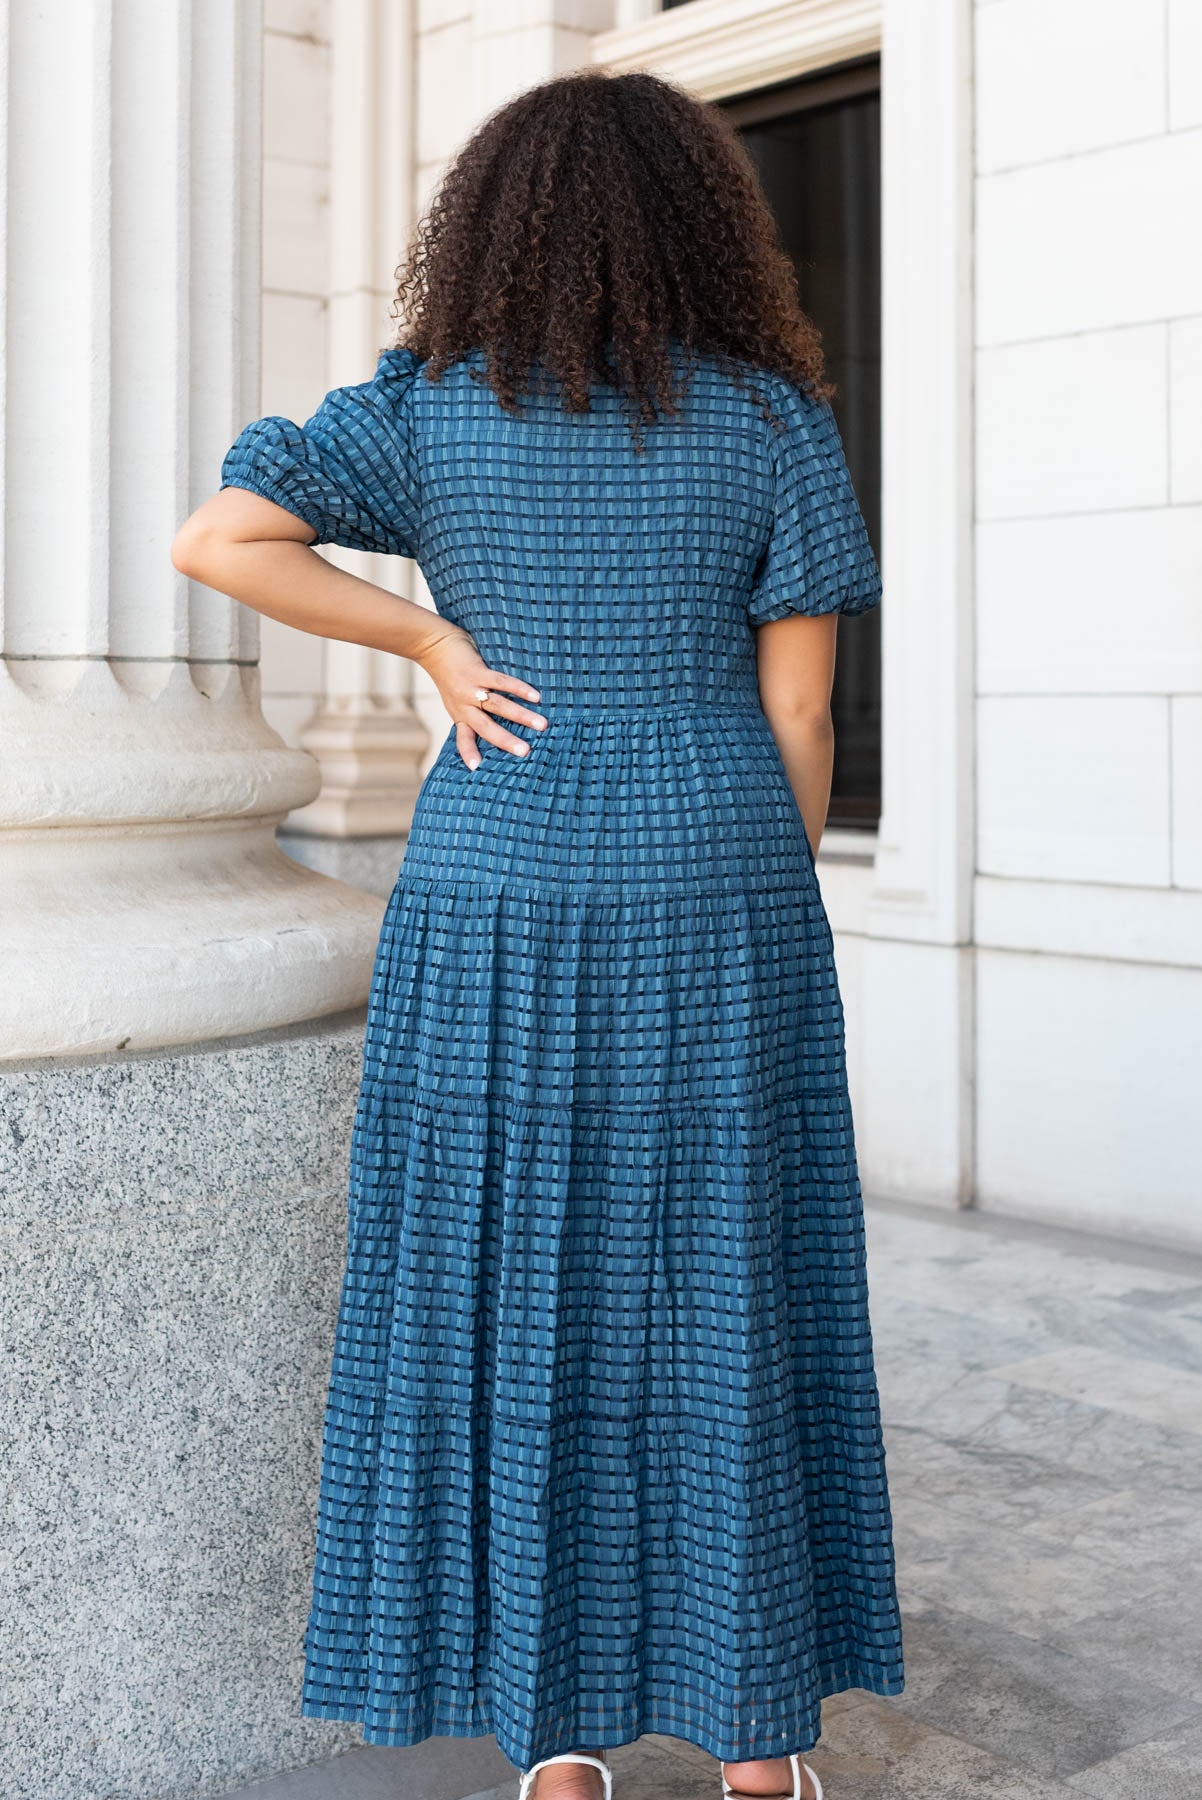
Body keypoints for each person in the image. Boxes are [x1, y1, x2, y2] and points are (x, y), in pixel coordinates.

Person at [172, 66, 903, 1800]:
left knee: (511, 1283)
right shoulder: (769, 418)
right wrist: (761, 889)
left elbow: (222, 536)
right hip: (720, 880)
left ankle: (552, 1738)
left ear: (488, 230)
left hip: (495, 886)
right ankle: (752, 1747)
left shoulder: (429, 409)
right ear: (704, 229)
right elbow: (801, 717)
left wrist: (431, 649)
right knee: (729, 1282)